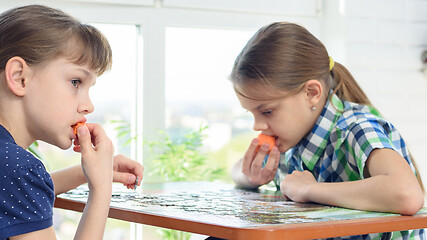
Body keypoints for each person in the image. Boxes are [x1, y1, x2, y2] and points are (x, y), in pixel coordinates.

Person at [230, 22, 425, 239]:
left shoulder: (357, 128)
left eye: (266, 112)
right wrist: (251, 177)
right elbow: (237, 170)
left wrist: (308, 190)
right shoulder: (291, 137)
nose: (257, 126)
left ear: (312, 93)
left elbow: (406, 193)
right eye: (251, 114)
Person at [0, 5, 143, 240]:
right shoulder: (19, 168)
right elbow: (22, 183)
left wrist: (89, 173)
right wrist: (101, 190)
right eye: (76, 82)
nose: (89, 106)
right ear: (19, 77)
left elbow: (16, 193)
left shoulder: (10, 167)